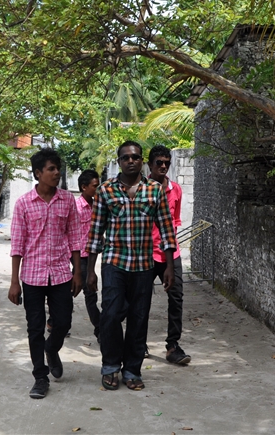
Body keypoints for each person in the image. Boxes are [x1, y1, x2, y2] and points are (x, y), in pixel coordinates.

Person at [86, 141, 177, 392]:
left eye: (135, 157)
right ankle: (111, 366)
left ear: (141, 161)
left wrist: (169, 267)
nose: (131, 161)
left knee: (139, 318)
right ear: (119, 161)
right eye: (126, 158)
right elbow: (95, 233)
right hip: (114, 263)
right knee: (111, 316)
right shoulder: (105, 191)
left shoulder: (155, 191)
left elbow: (167, 231)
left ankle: (132, 370)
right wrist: (90, 270)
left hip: (144, 265)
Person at [8, 148, 82, 400]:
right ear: (38, 173)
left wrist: (78, 272)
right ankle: (40, 377)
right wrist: (14, 282)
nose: (56, 173)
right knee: (35, 327)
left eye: (57, 168)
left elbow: (74, 237)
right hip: (33, 275)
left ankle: (52, 349)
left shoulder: (67, 200)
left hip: (61, 273)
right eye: (51, 169)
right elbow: (17, 244)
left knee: (63, 322)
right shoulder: (23, 204)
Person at [146, 145, 192, 365]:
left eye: (167, 162)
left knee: (176, 298)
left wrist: (171, 258)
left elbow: (174, 223)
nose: (163, 166)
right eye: (159, 163)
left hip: (170, 253)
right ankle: (138, 344)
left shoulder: (175, 189)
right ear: (150, 165)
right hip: (145, 254)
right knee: (140, 301)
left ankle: (173, 345)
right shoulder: (141, 189)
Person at [76, 169, 102, 341]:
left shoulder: (96, 206)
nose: (97, 189)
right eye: (94, 186)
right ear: (84, 187)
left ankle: (53, 319)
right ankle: (100, 330)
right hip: (79, 256)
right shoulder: (76, 208)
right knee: (89, 292)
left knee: (71, 289)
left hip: (91, 254)